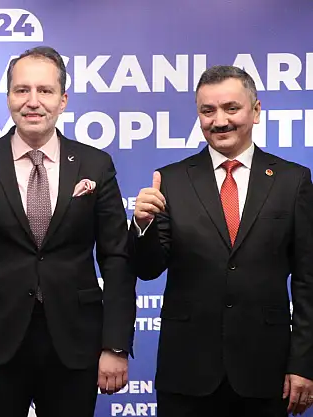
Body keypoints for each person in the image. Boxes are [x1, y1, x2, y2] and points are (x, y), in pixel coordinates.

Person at [0, 46, 137, 417]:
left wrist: (115, 345)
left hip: (76, 343)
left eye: (44, 90)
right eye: (22, 90)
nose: (33, 101)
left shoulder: (96, 164)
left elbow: (117, 260)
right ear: (8, 97)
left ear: (63, 100)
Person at [131, 65, 313, 417]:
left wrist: (304, 362)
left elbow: (308, 280)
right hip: (187, 371)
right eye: (208, 110)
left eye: (231, 108)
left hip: (266, 370)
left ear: (255, 111)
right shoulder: (171, 180)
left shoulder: (293, 181)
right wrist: (142, 225)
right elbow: (147, 268)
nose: (219, 121)